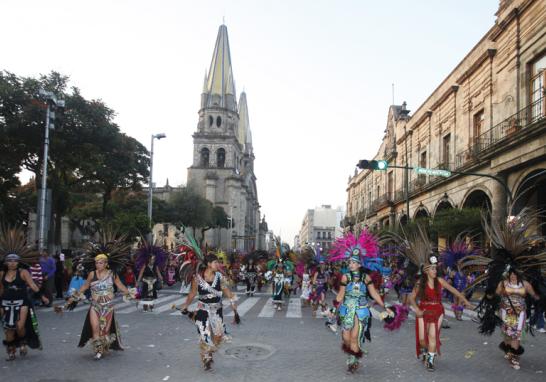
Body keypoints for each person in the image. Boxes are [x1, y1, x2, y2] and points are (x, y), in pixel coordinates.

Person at [329, 229, 398, 372]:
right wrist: (333, 308)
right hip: (347, 310)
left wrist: (385, 306)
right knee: (346, 338)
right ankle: (351, 353)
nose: (350, 264)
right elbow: (340, 295)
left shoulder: (366, 278)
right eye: (350, 262)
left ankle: (353, 360)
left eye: (354, 262)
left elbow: (374, 293)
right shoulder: (345, 277)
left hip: (361, 311)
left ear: (360, 264)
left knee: (355, 337)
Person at [65, 231, 133, 360]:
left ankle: (103, 347)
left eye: (101, 262)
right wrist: (73, 297)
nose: (98, 265)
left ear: (106, 263)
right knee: (95, 328)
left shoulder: (112, 274)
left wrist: (130, 293)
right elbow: (85, 287)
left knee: (105, 331)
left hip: (108, 307)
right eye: (96, 262)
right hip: (95, 306)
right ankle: (99, 350)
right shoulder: (92, 274)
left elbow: (120, 286)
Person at [178, 254, 238, 371]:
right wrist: (186, 305)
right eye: (216, 262)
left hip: (217, 310)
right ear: (209, 264)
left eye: (218, 263)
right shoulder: (197, 278)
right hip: (202, 310)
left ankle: (208, 352)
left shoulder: (220, 277)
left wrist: (235, 310)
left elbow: (228, 293)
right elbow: (192, 293)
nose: (218, 265)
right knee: (205, 335)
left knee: (219, 336)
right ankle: (206, 358)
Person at [0, 226, 49, 361]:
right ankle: (11, 351)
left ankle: (22, 342)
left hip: (22, 302)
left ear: (18, 261)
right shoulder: (2, 273)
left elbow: (33, 285)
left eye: (14, 260)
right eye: (9, 260)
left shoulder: (23, 272)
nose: (12, 263)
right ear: (5, 262)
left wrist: (43, 297)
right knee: (8, 328)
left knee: (20, 326)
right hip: (5, 302)